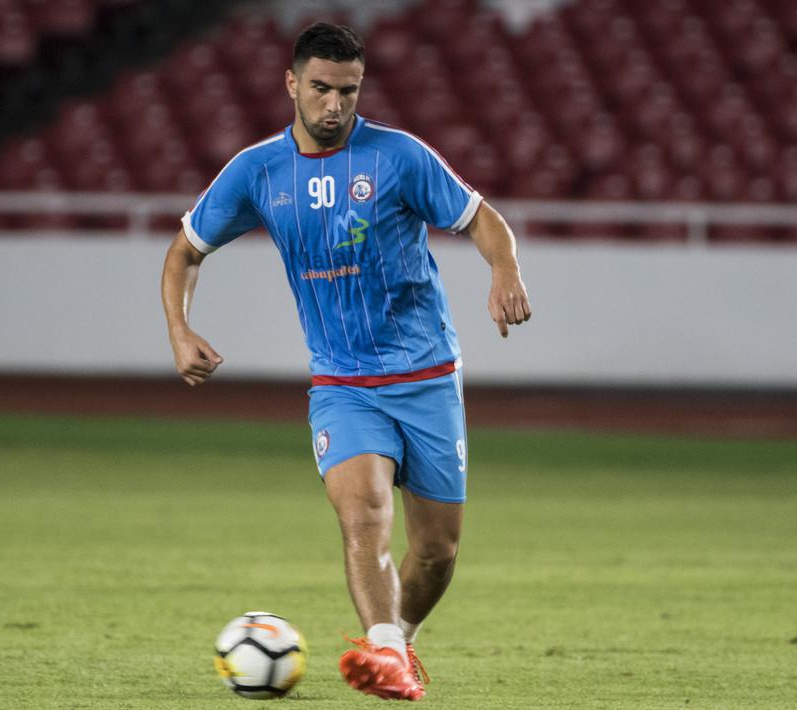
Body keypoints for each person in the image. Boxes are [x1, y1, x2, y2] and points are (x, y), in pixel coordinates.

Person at [160, 22, 531, 701]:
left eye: (349, 91)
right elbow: (185, 251)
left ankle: (400, 641)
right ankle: (383, 651)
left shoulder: (398, 157)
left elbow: (483, 220)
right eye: (322, 89)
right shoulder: (256, 171)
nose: (334, 105)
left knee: (437, 551)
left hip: (426, 378)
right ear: (292, 84)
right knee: (362, 516)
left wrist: (503, 271)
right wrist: (180, 328)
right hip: (343, 383)